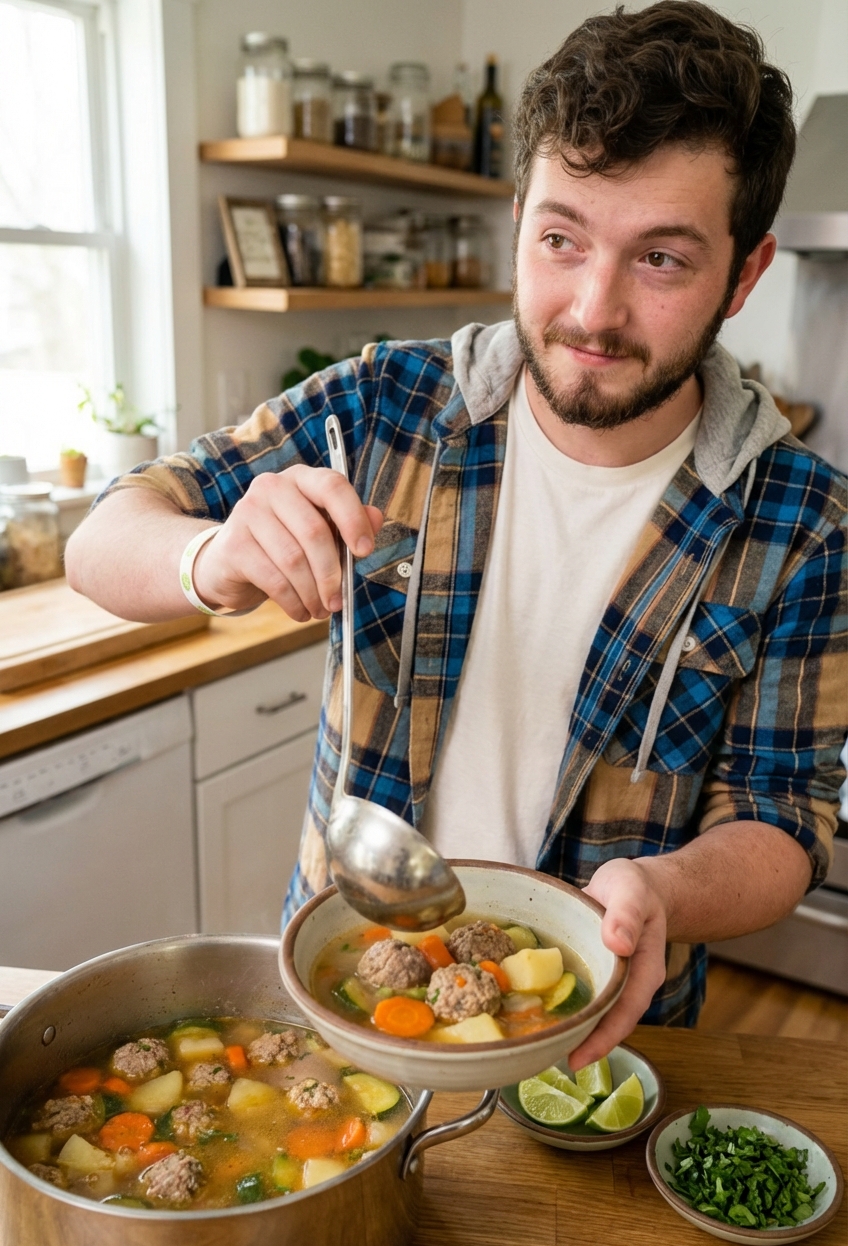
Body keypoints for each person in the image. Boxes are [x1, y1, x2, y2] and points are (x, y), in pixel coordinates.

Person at [66, 1, 847, 1068]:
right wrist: (208, 554)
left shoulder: (802, 522)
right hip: (341, 1005)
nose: (590, 309)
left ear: (742, 275)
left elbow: (784, 820)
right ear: (517, 214)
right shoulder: (382, 407)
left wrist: (665, 887)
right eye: (560, 239)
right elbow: (106, 534)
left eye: (659, 260)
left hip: (602, 1038)